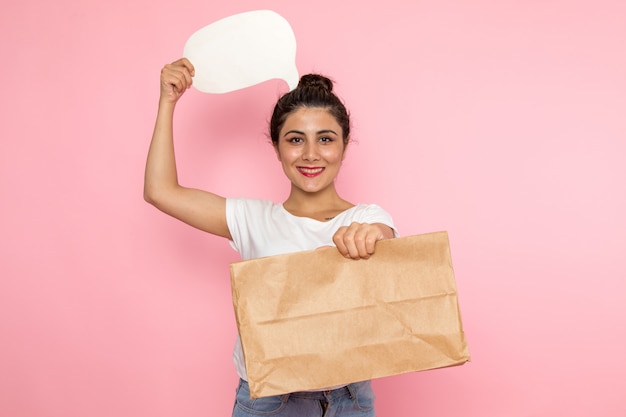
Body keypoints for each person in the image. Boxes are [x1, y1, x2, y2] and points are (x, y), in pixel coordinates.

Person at [144, 58, 397, 417]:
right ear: (276, 148)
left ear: (344, 145)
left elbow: (386, 241)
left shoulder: (367, 217)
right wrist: (167, 102)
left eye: (325, 139)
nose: (311, 154)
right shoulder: (253, 219)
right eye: (296, 140)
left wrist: (373, 236)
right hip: (270, 399)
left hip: (350, 399)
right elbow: (160, 191)